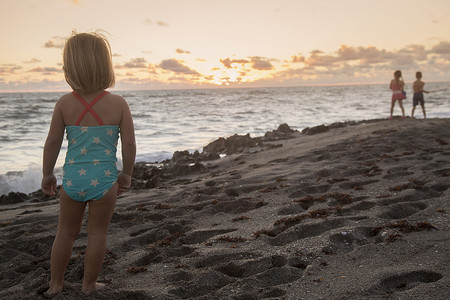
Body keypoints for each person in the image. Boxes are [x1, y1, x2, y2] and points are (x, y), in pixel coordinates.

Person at [41, 31, 136, 296]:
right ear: (106, 66)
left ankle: (55, 284)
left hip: (73, 180)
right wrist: (126, 173)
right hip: (105, 181)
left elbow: (52, 143)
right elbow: (128, 145)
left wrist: (48, 173)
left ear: (69, 68)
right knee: (96, 234)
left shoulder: (64, 104)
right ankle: (88, 284)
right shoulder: (118, 104)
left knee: (66, 232)